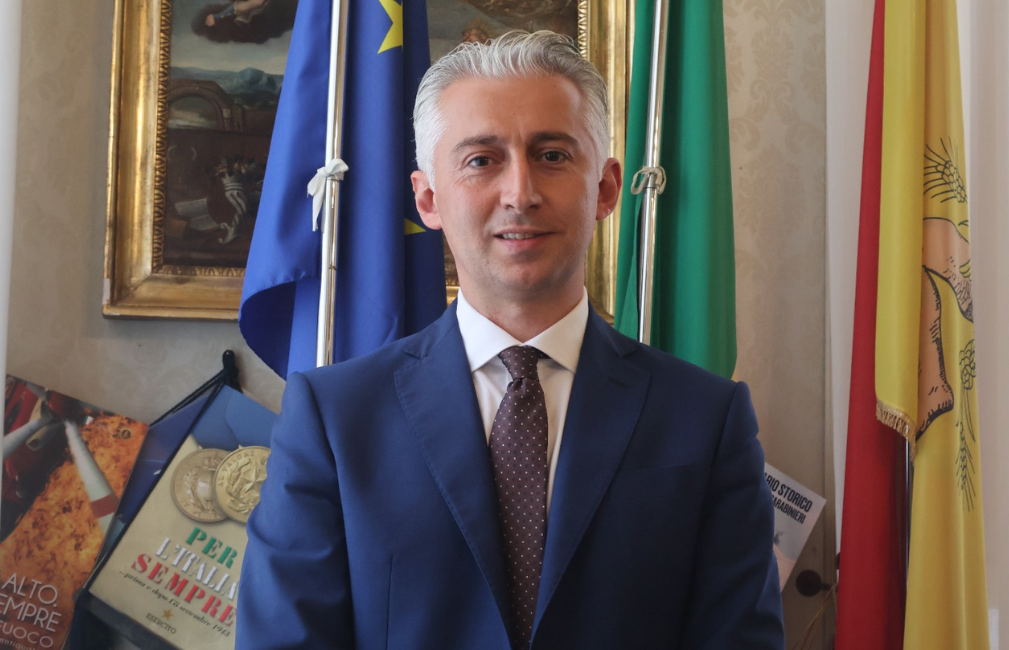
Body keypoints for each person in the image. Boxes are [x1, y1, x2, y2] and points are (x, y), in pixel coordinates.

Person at [236, 30, 783, 650]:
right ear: (428, 197)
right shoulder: (334, 418)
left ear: (605, 189)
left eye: (551, 155)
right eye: (481, 160)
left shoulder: (706, 418)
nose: (520, 194)